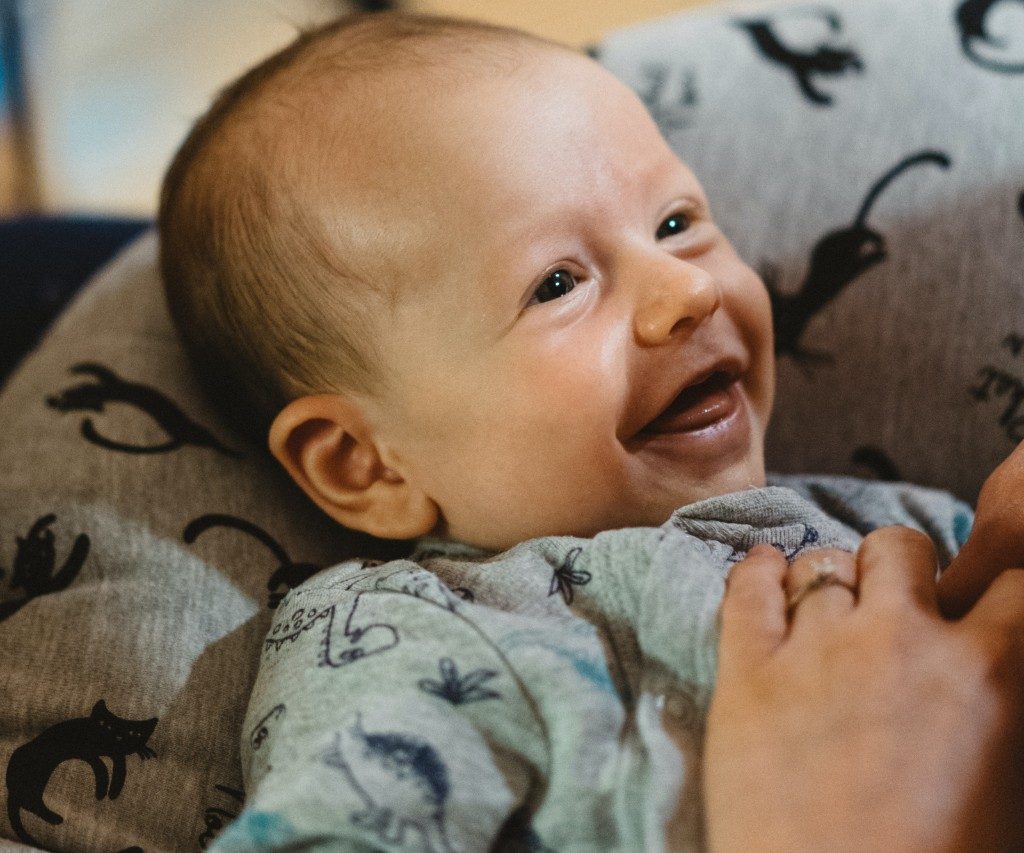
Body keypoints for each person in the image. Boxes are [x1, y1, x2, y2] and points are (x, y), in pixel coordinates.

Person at [156, 11, 1024, 851]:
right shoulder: (416, 635)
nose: (689, 292)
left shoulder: (896, 521)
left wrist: (997, 558)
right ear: (367, 465)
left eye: (676, 225)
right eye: (557, 283)